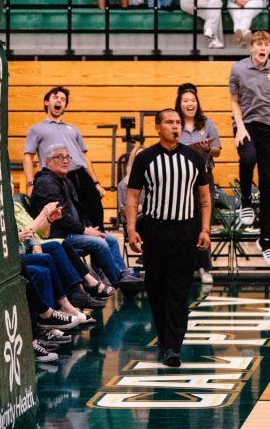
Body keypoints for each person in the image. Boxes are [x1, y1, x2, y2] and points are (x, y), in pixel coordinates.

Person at [125, 109, 211, 368]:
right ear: (157, 128)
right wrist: (131, 230)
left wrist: (205, 230)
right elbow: (132, 197)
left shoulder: (195, 158)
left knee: (179, 291)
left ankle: (173, 347)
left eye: (177, 123)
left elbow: (205, 199)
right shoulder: (145, 158)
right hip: (155, 230)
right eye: (169, 122)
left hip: (185, 231)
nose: (175, 127)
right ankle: (164, 340)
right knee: (156, 289)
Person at [29, 144, 138, 289]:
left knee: (110, 239)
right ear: (48, 161)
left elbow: (78, 209)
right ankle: (119, 282)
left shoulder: (64, 180)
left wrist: (86, 227)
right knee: (100, 244)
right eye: (60, 157)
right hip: (59, 235)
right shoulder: (46, 183)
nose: (66, 161)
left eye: (68, 157)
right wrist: (85, 230)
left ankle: (124, 274)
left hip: (72, 231)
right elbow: (61, 218)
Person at [229, 30, 270, 267]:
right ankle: (245, 200)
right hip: (246, 125)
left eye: (266, 44)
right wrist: (240, 128)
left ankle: (266, 241)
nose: (263, 48)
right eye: (259, 44)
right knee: (247, 159)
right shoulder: (238, 69)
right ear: (251, 47)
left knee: (268, 183)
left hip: (268, 127)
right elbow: (234, 101)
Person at [23, 86, 107, 228]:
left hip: (81, 175)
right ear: (46, 102)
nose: (59, 101)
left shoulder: (73, 129)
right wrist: (30, 184)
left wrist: (96, 183)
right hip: (58, 178)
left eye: (63, 99)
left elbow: (84, 157)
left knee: (95, 212)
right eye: (55, 98)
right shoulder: (36, 129)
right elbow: (28, 158)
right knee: (70, 217)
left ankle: (99, 245)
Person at [176, 84, 221, 285]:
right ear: (180, 104)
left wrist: (207, 149)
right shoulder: (174, 124)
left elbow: (218, 149)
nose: (190, 104)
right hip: (179, 179)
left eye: (192, 101)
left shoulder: (207, 123)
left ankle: (204, 268)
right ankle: (184, 266)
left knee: (204, 222)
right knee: (183, 223)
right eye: (186, 101)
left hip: (204, 177)